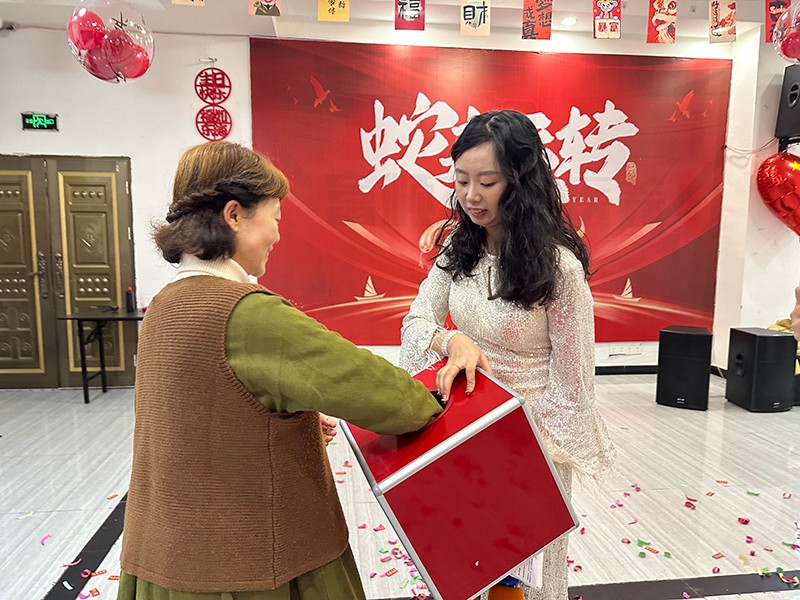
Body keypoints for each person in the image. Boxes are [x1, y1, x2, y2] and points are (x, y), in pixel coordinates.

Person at [117, 141, 442, 600]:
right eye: (276, 216)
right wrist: (438, 395)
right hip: (252, 565)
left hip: (168, 556)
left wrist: (293, 421)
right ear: (234, 215)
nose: (277, 234)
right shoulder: (247, 314)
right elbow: (390, 398)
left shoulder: (165, 305)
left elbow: (208, 416)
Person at [399, 110, 616, 600]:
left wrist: (524, 457)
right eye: (461, 180)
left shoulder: (557, 268)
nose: (471, 196)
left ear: (520, 181)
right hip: (464, 432)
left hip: (530, 445)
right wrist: (451, 341)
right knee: (468, 569)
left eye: (488, 182)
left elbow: (573, 385)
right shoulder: (458, 250)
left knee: (521, 580)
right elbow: (415, 321)